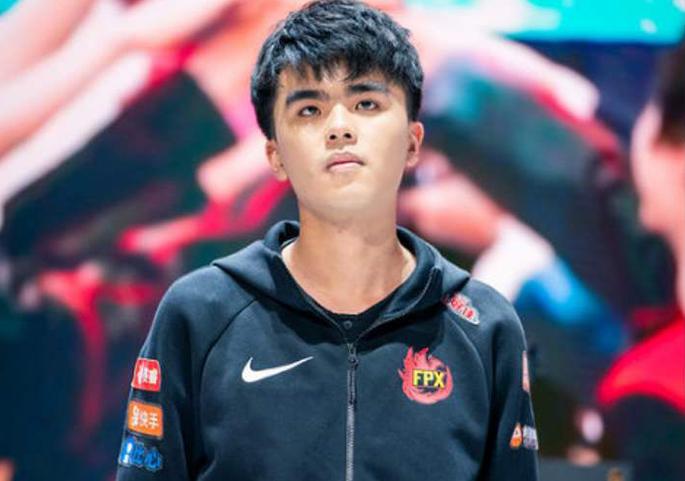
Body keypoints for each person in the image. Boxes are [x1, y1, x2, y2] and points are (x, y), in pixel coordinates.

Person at [114, 1, 538, 480]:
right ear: (274, 155)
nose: (340, 127)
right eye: (310, 109)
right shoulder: (200, 315)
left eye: (366, 104)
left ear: (413, 142)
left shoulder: (484, 326)